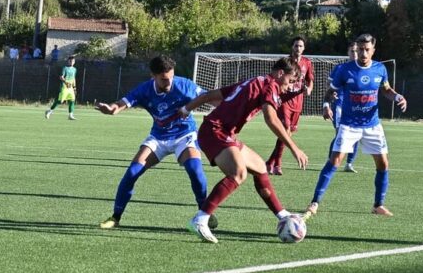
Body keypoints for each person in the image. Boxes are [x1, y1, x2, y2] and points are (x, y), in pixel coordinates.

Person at [180, 57, 309, 244]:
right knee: (239, 173)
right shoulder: (269, 85)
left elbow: (210, 96)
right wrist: (295, 148)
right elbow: (271, 118)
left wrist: (185, 109)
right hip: (215, 132)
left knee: (260, 167)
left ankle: (282, 215)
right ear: (280, 73)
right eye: (289, 81)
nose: (289, 87)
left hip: (222, 132)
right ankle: (200, 219)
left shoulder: (255, 81)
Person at [95, 55, 211, 229]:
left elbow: (208, 96)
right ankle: (115, 217)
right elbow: (121, 104)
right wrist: (111, 109)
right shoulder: (144, 90)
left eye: (171, 78)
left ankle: (205, 213)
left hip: (184, 135)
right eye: (164, 80)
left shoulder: (184, 85)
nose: (169, 83)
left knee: (195, 170)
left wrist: (228, 106)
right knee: (132, 173)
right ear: (153, 76)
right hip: (158, 137)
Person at [305, 33, 407, 220]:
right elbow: (330, 93)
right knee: (335, 161)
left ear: (373, 50)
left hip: (372, 125)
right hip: (349, 124)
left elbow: (386, 90)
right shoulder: (344, 70)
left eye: (367, 49)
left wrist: (398, 97)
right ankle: (315, 202)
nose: (363, 53)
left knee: (383, 163)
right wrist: (328, 102)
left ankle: (378, 205)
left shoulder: (380, 69)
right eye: (360, 49)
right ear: (356, 49)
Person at [266, 36, 314, 175]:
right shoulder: (286, 62)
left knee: (288, 133)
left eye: (300, 46)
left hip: (298, 102)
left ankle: (270, 162)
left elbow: (310, 81)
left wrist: (309, 89)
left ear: (304, 48)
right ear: (292, 48)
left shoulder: (307, 63)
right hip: (284, 100)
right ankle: (277, 165)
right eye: (295, 46)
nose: (298, 48)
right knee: (286, 128)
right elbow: (276, 77)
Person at [325, 42, 359, 173]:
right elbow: (329, 83)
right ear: (348, 53)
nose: (355, 54)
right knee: (341, 134)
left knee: (355, 136)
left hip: (355, 108)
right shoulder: (340, 68)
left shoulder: (363, 69)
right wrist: (331, 93)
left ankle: (349, 164)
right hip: (339, 106)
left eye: (357, 51)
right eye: (352, 51)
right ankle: (330, 161)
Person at [45, 56, 77, 120]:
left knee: (72, 100)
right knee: (60, 101)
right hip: (64, 87)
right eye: (70, 61)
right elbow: (61, 77)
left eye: (73, 61)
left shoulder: (74, 69)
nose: (71, 62)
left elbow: (73, 78)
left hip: (70, 88)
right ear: (68, 61)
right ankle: (49, 111)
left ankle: (70, 115)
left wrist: (74, 87)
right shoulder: (65, 68)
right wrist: (66, 83)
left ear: (74, 62)